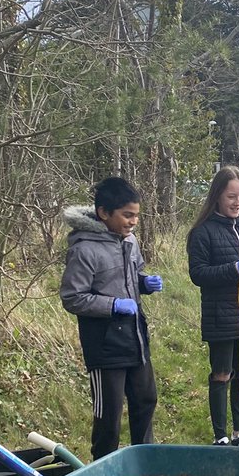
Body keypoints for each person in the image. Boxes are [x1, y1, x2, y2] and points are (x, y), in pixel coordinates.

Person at [60, 177, 162, 460]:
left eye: (136, 216)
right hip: (104, 346)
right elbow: (72, 297)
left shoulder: (130, 241)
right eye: (127, 215)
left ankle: (146, 462)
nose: (133, 222)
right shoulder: (84, 249)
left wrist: (144, 283)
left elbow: (131, 277)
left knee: (145, 400)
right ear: (104, 213)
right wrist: (113, 305)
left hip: (136, 339)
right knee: (109, 416)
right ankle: (102, 471)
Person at [187, 167, 239, 447]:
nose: (238, 203)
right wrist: (235, 268)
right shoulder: (202, 232)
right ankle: (220, 436)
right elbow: (198, 274)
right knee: (222, 374)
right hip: (219, 315)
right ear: (217, 195)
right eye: (232, 196)